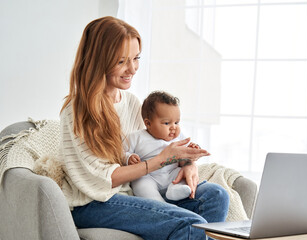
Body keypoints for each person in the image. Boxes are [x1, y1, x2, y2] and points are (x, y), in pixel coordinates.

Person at [59, 16, 229, 240]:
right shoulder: (77, 110)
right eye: (121, 61)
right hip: (95, 202)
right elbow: (100, 180)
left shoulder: (130, 102)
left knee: (217, 195)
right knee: (191, 224)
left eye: (136, 58)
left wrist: (188, 163)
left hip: (135, 191)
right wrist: (162, 159)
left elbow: (152, 146)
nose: (132, 69)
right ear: (98, 61)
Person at [126, 91, 201, 202]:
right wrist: (128, 157)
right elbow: (120, 153)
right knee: (140, 184)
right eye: (167, 123)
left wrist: (192, 149)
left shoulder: (179, 136)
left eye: (176, 122)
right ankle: (157, 203)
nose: (173, 127)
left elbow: (186, 153)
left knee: (182, 174)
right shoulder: (136, 137)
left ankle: (175, 190)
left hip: (171, 173)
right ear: (148, 123)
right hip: (148, 176)